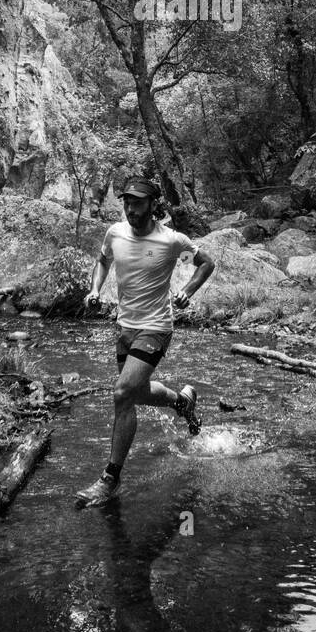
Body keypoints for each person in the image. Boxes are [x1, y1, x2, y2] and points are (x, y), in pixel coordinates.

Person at [75, 176, 215, 508]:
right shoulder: (115, 233)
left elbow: (207, 262)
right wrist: (95, 289)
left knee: (122, 393)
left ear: (153, 205)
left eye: (137, 203)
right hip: (126, 327)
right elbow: (103, 260)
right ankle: (182, 402)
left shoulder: (171, 240)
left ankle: (110, 479)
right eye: (126, 202)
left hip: (156, 327)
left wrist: (188, 291)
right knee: (135, 393)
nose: (130, 209)